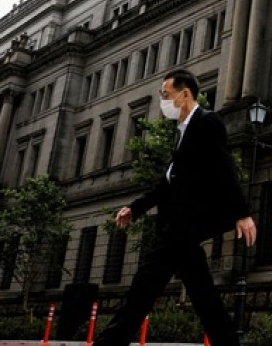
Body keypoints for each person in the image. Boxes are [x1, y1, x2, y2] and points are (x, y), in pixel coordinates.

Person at [95, 69, 257, 346]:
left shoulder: (207, 122)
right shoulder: (182, 133)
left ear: (185, 94)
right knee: (202, 292)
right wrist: (135, 208)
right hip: (181, 225)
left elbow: (224, 167)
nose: (163, 101)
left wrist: (242, 213)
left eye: (166, 95)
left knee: (144, 285)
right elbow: (167, 184)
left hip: (186, 223)